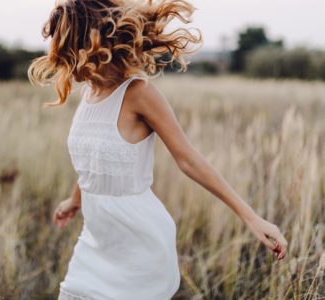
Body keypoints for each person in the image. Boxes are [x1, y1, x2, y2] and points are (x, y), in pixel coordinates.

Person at [28, 0, 288, 299]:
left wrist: (251, 217)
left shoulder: (139, 93)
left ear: (88, 42)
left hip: (138, 242)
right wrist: (74, 201)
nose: (58, 57)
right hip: (95, 242)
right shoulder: (89, 94)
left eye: (64, 47)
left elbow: (188, 159)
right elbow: (95, 163)